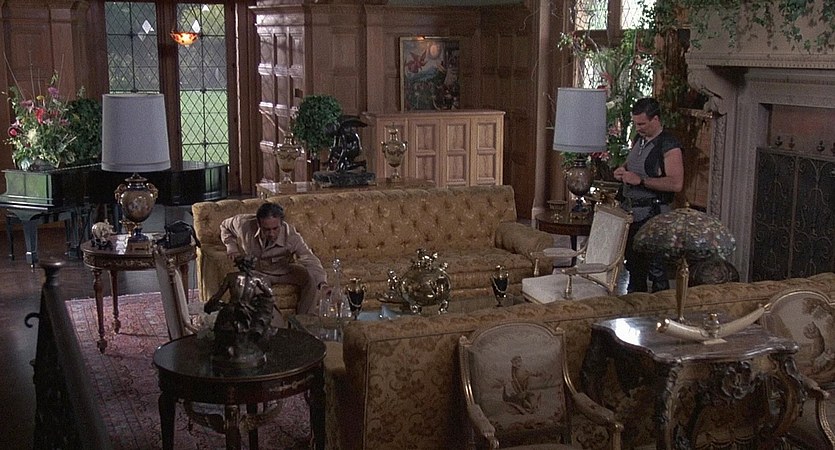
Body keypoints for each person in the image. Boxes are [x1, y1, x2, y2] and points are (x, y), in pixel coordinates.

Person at [613, 98, 684, 293]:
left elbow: (676, 184)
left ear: (656, 119)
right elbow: (632, 164)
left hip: (653, 215)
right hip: (631, 214)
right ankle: (635, 303)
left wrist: (641, 181)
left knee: (656, 269)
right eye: (636, 124)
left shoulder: (669, 145)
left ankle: (660, 307)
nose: (638, 128)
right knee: (634, 266)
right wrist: (622, 171)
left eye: (642, 124)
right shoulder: (639, 139)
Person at [220, 202, 329, 316]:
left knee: (310, 279)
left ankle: (303, 320)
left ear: (281, 224)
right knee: (256, 293)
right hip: (257, 273)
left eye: (275, 228)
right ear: (258, 224)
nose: (271, 234)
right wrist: (231, 247)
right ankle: (274, 323)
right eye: (266, 229)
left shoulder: (291, 236)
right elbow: (224, 226)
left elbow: (309, 258)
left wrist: (322, 284)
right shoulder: (243, 224)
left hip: (283, 270)